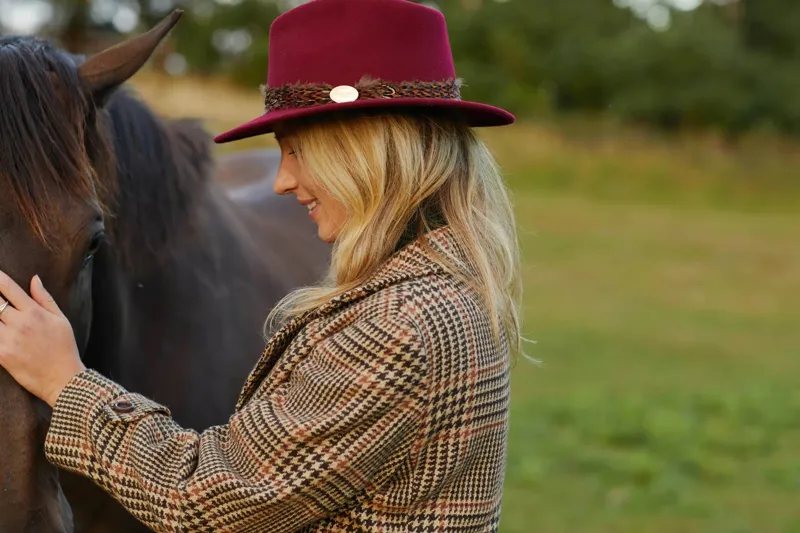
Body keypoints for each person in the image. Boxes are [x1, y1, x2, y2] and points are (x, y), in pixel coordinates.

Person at [0, 0, 522, 531]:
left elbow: (207, 501)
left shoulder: (399, 328)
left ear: (366, 150)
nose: (282, 181)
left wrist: (66, 383)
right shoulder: (452, 285)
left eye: (297, 151)